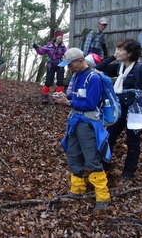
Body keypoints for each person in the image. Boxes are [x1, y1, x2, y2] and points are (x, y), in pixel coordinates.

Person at [54, 48, 110, 210]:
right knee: (73, 153)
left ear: (80, 61)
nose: (69, 68)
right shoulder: (77, 75)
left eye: (70, 65)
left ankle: (102, 196)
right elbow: (76, 95)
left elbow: (90, 103)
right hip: (75, 120)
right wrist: (64, 97)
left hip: (88, 122)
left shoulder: (94, 78)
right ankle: (77, 189)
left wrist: (68, 103)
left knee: (91, 157)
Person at [95, 39, 142, 178]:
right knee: (110, 136)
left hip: (137, 109)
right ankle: (104, 163)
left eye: (120, 50)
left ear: (129, 53)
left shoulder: (141, 69)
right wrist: (112, 57)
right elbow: (99, 68)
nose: (117, 52)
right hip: (119, 108)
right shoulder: (119, 67)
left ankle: (129, 171)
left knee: (133, 140)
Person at [33, 31, 67, 103]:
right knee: (48, 81)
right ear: (56, 38)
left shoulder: (63, 47)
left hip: (60, 65)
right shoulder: (49, 46)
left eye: (61, 38)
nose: (60, 39)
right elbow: (41, 51)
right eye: (59, 38)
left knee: (60, 81)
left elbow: (67, 54)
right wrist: (36, 47)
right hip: (51, 65)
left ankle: (58, 98)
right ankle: (44, 97)